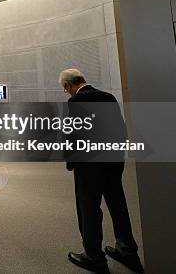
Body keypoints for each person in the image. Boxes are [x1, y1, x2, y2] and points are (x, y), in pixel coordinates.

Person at [59, 69, 144, 274]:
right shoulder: (108, 97)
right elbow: (121, 130)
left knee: (89, 210)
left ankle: (94, 257)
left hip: (89, 167)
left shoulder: (75, 102)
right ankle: (128, 252)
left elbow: (73, 136)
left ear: (68, 86)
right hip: (113, 163)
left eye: (66, 90)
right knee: (118, 205)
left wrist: (71, 162)